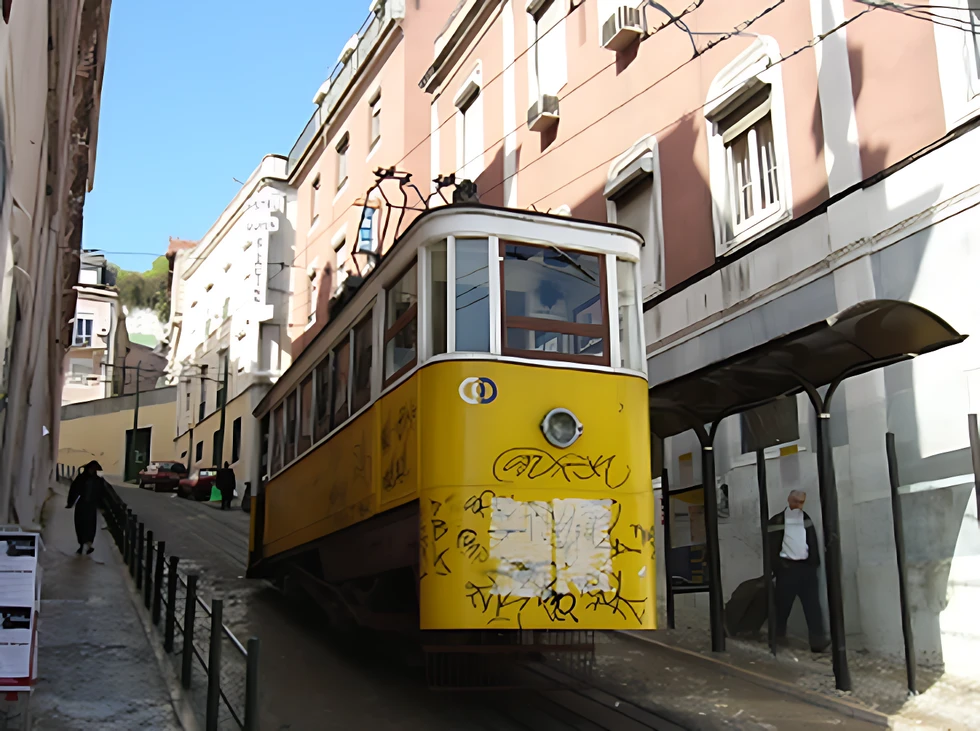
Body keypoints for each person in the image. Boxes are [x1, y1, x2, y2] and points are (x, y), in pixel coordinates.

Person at [768, 490, 829, 653]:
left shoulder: (806, 519)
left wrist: (812, 564)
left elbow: (812, 542)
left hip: (805, 568)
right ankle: (777, 635)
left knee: (813, 606)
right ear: (789, 500)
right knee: (782, 605)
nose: (798, 505)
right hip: (787, 568)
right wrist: (779, 567)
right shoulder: (777, 520)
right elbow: (771, 547)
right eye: (795, 501)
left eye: (801, 502)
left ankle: (817, 640)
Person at [67, 460, 106, 555]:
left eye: (94, 469)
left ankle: (88, 544)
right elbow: (74, 490)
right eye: (92, 468)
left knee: (90, 526)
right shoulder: (81, 478)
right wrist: (70, 502)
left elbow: (101, 494)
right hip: (82, 505)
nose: (93, 471)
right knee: (80, 525)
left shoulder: (98, 480)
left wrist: (101, 506)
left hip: (91, 506)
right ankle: (81, 544)